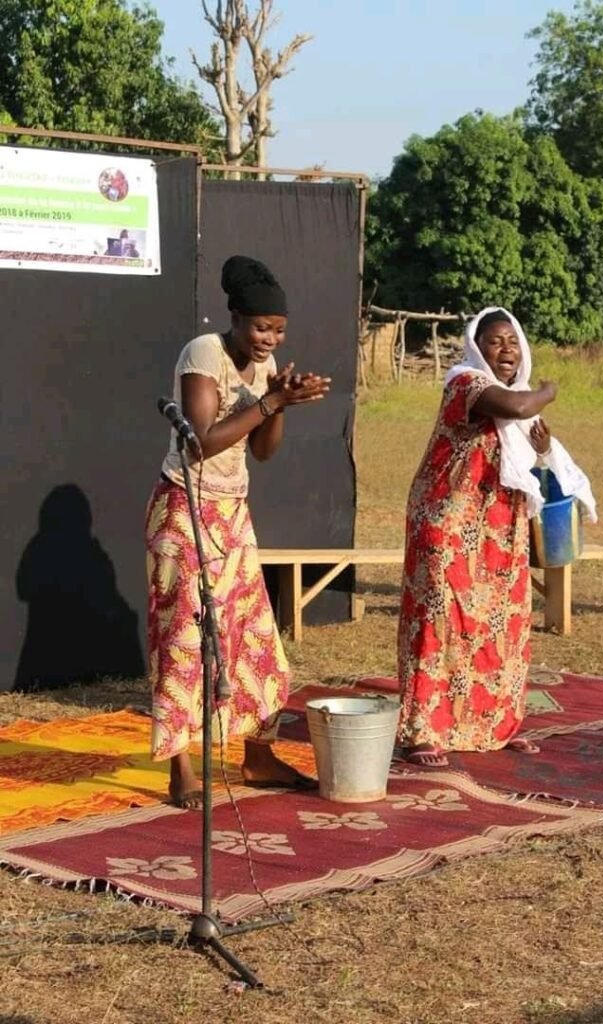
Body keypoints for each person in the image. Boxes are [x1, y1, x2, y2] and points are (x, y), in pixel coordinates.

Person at [145, 255, 330, 807]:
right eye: (260, 327)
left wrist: (280, 404)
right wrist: (270, 400)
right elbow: (198, 441)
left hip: (232, 513)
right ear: (235, 317)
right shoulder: (204, 353)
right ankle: (182, 770)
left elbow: (264, 453)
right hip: (183, 510)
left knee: (255, 641)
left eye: (278, 330)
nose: (269, 338)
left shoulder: (263, 369)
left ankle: (257, 756)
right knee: (185, 639)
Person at [397, 307, 560, 767]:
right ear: (476, 347)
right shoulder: (466, 383)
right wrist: (548, 389)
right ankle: (424, 729)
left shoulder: (514, 402)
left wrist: (543, 445)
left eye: (513, 342)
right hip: (449, 523)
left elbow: (536, 448)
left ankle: (491, 727)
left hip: (499, 527)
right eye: (495, 341)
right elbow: (520, 405)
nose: (505, 350)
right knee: (439, 622)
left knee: (498, 626)